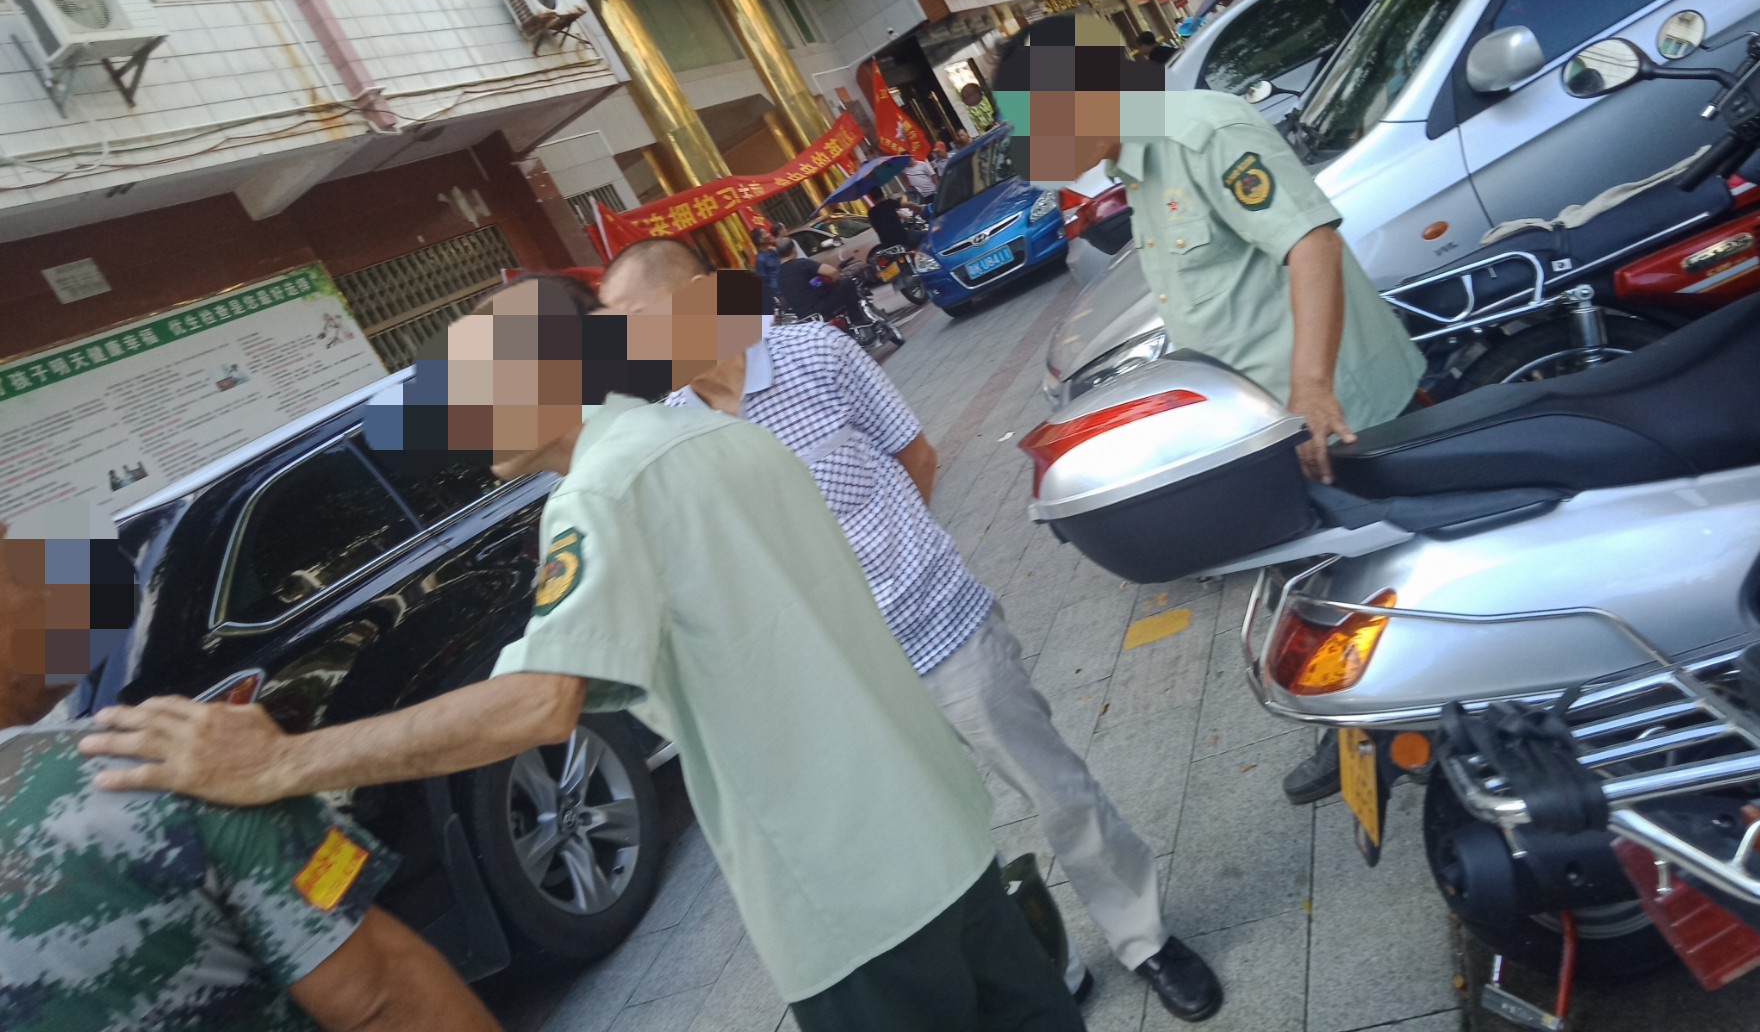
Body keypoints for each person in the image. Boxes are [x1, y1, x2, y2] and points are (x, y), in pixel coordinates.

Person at [77, 277, 1082, 1032]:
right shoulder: (726, 441)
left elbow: (535, 707)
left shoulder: (603, 491)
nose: (457, 421)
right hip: (943, 834)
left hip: (853, 904)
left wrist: (281, 761)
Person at [603, 241, 1224, 1024]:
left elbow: (916, 455)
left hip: (940, 625)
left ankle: (1146, 938)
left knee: (1055, 788)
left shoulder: (813, 354)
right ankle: (1040, 966)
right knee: (944, 840)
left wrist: (892, 564)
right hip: (844, 685)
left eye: (636, 320)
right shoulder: (671, 433)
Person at [998, 11, 1425, 805]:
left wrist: (1312, 386)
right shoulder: (1138, 169)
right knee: (1326, 578)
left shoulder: (1201, 132)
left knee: (1395, 571)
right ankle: (1362, 720)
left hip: (1343, 409)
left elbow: (1311, 244)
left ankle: (1429, 716)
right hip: (1271, 431)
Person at [0, 521, 502, 1032]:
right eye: (17, 565)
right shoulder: (164, 763)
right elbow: (388, 1001)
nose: (54, 583)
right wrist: (281, 763)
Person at [774, 236, 860, 321]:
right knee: (847, 283)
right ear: (794, 250)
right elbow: (832, 272)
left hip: (803, 317)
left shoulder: (778, 275)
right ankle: (858, 321)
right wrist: (836, 278)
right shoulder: (801, 263)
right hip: (819, 310)